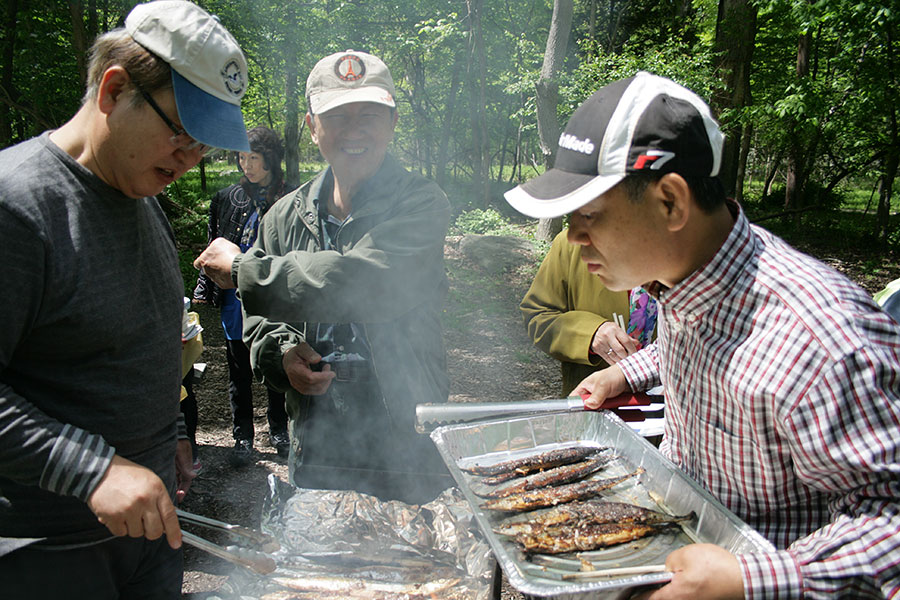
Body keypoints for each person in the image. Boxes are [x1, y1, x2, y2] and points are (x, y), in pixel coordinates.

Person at [504, 71, 900, 598]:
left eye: (589, 215)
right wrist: (626, 371)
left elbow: (890, 519)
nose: (573, 238)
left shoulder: (824, 337)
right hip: (674, 546)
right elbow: (695, 348)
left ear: (671, 201)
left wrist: (750, 580)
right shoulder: (683, 279)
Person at [0, 2, 249, 597]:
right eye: (183, 132)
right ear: (114, 89)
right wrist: (92, 469)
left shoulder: (143, 202)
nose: (191, 162)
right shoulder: (18, 208)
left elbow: (144, 339)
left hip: (148, 542)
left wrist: (170, 435)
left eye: (206, 147)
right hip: (44, 553)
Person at [193, 50, 452, 504]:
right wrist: (282, 354)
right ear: (313, 128)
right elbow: (260, 324)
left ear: (393, 122)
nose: (355, 130)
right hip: (317, 436)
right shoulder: (282, 216)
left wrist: (242, 269)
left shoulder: (422, 204)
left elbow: (363, 282)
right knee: (322, 569)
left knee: (417, 567)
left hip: (405, 435)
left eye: (370, 114)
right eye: (338, 116)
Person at [193, 126, 290, 466]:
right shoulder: (227, 199)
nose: (246, 165)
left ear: (271, 160)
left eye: (254, 158)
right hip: (235, 298)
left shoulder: (290, 199)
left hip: (274, 294)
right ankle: (243, 436)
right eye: (242, 157)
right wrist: (205, 286)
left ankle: (279, 430)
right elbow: (214, 243)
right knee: (238, 370)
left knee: (277, 361)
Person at [520, 228, 656, 396]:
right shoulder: (573, 243)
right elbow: (537, 316)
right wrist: (590, 333)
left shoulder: (686, 245)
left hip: (678, 406)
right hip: (593, 402)